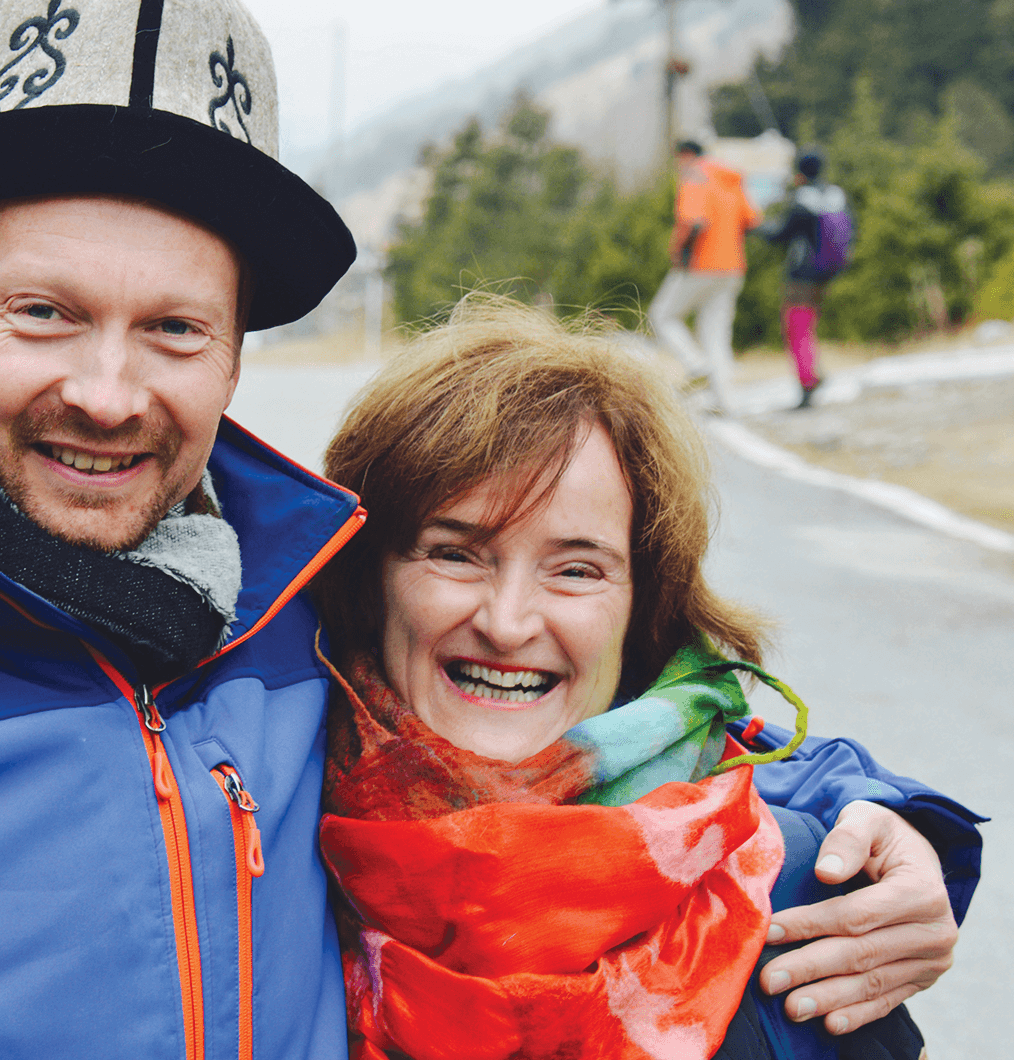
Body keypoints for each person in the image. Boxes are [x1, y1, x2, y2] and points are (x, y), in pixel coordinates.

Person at [0, 4, 977, 1058]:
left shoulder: (291, 625)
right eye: (44, 311)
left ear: (236, 361)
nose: (108, 389)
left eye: (173, 330)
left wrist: (887, 835)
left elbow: (603, 730)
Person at [311, 297, 980, 1059]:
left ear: (645, 613)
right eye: (454, 552)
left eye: (575, 569)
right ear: (370, 579)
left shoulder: (792, 906)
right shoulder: (254, 831)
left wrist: (888, 819)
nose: (507, 621)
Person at [649, 139, 761, 415]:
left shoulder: (695, 174)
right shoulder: (731, 178)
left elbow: (694, 220)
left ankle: (695, 364)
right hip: (733, 266)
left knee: (662, 315)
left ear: (685, 155)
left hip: (700, 263)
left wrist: (679, 250)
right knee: (716, 334)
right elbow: (753, 220)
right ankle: (725, 403)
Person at [757, 149, 851, 409]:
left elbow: (780, 234)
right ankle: (812, 374)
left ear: (799, 173)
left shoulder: (803, 201)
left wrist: (755, 226)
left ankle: (808, 382)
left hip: (802, 275)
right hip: (827, 272)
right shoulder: (836, 195)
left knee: (796, 327)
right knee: (808, 325)